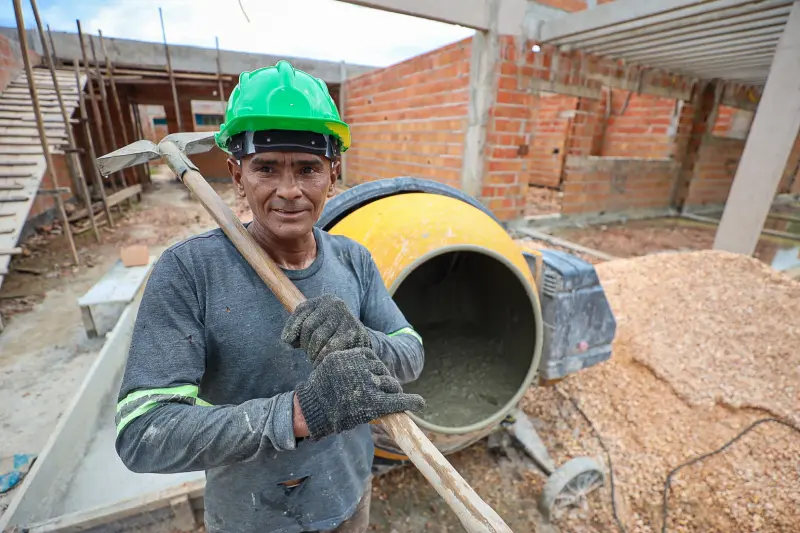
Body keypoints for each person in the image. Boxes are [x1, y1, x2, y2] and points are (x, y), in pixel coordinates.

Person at [114, 60, 426, 533]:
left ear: (333, 174)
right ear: (237, 175)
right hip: (251, 517)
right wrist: (300, 413)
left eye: (308, 169)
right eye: (266, 168)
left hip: (349, 496)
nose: (289, 191)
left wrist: (360, 337)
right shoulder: (190, 272)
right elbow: (143, 432)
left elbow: (411, 354)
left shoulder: (353, 260)